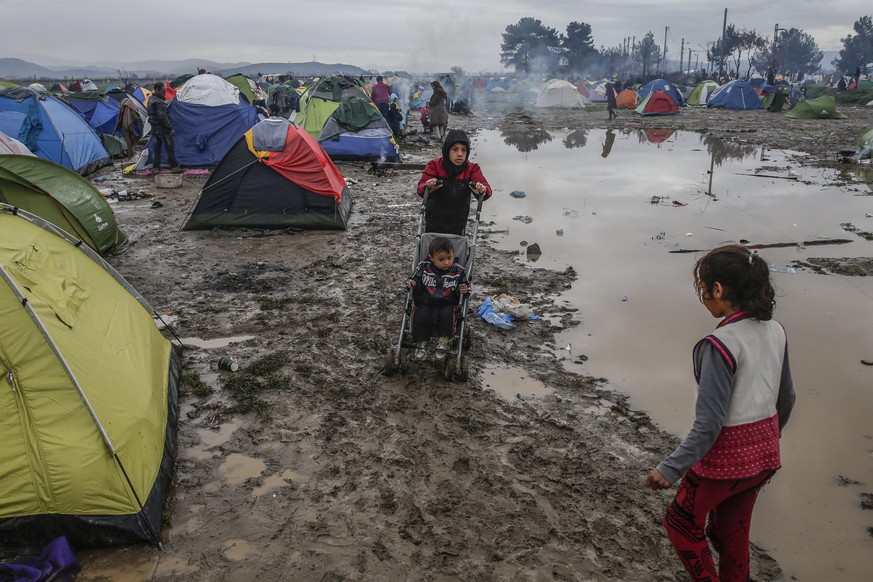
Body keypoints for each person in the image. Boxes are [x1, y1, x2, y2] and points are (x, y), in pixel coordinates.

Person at [645, 244, 796, 581]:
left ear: (718, 289)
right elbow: (787, 397)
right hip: (765, 457)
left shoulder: (719, 344)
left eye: (704, 289)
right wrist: (768, 436)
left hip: (724, 464)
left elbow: (710, 422)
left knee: (680, 523)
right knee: (733, 533)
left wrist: (670, 468)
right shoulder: (776, 331)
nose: (704, 296)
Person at [416, 129, 492, 235]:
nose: (460, 154)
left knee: (457, 250)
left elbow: (486, 190)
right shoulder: (435, 165)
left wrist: (482, 189)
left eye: (464, 150)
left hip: (458, 224)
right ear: (447, 150)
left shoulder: (472, 169)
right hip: (434, 223)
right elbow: (421, 188)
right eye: (455, 149)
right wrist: (428, 186)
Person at [407, 236, 470, 358]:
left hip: (448, 302)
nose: (447, 262)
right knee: (421, 314)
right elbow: (416, 280)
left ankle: (444, 341)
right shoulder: (424, 266)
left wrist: (464, 290)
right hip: (425, 301)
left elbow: (465, 288)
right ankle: (422, 342)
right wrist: (413, 283)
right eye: (441, 259)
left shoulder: (458, 271)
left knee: (448, 315)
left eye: (449, 258)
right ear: (431, 258)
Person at [146, 82, 181, 173]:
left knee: (156, 149)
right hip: (163, 129)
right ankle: (174, 166)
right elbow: (163, 117)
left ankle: (156, 168)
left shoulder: (150, 99)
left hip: (154, 128)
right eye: (162, 91)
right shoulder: (159, 102)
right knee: (170, 148)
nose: (164, 93)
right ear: (157, 90)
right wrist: (170, 128)